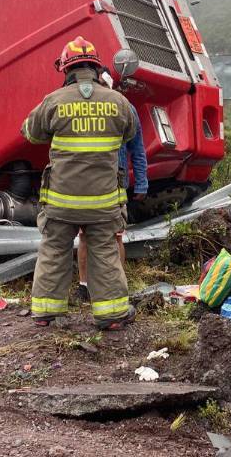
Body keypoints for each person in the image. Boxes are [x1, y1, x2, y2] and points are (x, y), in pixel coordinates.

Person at [22, 36, 138, 331]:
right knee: (105, 252)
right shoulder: (118, 102)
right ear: (98, 69)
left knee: (53, 249)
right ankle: (112, 316)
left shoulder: (54, 101)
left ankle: (45, 313)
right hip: (103, 202)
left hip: (61, 201)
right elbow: (129, 134)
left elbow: (31, 134)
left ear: (66, 69)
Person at [76, 69, 148, 303]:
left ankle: (117, 285)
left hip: (112, 183)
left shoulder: (125, 108)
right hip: (91, 182)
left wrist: (141, 182)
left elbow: (137, 149)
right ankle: (85, 286)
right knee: (87, 235)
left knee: (115, 235)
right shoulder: (87, 107)